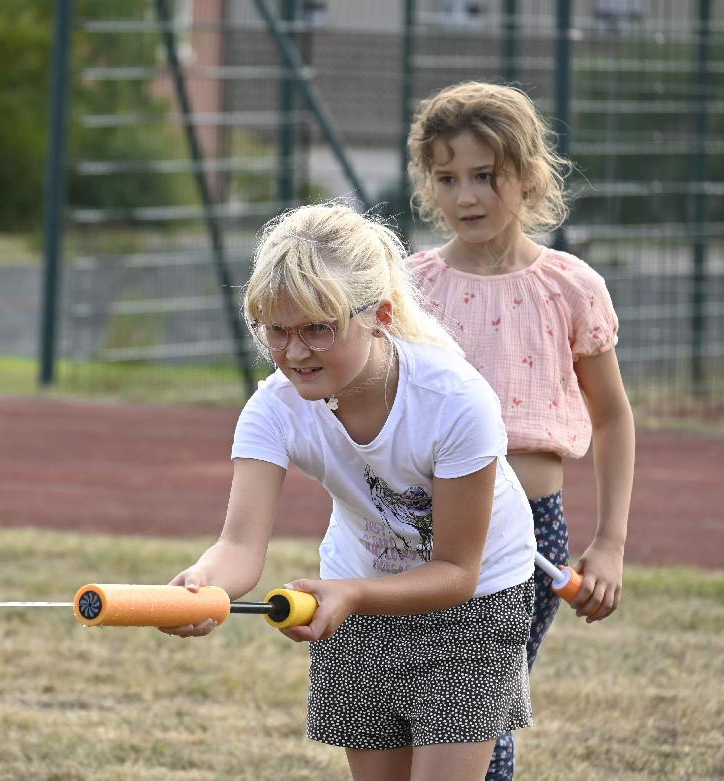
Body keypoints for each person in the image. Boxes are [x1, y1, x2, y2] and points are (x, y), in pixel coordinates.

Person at [161, 202, 537, 781]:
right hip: (354, 589)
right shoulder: (272, 410)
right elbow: (238, 546)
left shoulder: (455, 401)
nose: (294, 352)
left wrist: (351, 595)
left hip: (475, 601)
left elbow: (459, 570)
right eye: (276, 331)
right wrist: (202, 585)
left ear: (379, 314)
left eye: (318, 327)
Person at [405, 81, 636, 780]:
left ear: (530, 177)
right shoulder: (408, 288)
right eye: (446, 178)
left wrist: (612, 543)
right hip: (424, 529)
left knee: (483, 708)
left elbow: (613, 415)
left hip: (534, 531)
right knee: (431, 706)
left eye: (485, 175)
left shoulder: (571, 287)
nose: (465, 196)